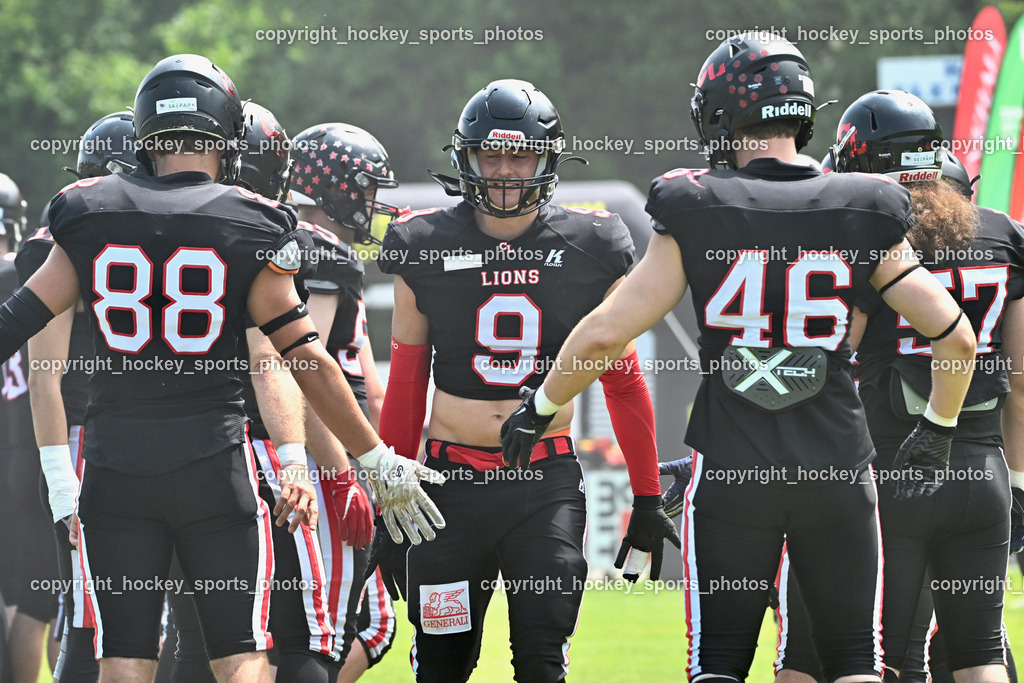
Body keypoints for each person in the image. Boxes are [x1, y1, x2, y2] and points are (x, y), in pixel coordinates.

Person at [499, 34, 978, 683]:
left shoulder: (696, 201)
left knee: (719, 664)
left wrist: (541, 404)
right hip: (836, 468)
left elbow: (605, 333)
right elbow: (957, 338)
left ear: (721, 112)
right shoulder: (863, 203)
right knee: (856, 662)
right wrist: (940, 428)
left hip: (731, 471)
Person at [0, 53, 443, 682]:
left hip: (113, 470)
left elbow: (16, 322)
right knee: (240, 655)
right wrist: (373, 457)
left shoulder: (87, 211)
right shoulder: (248, 220)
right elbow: (301, 356)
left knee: (123, 661)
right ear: (225, 136)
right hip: (214, 467)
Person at [373, 77, 677, 682]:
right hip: (444, 487)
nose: (506, 170)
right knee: (440, 666)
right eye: (493, 154)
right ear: (468, 157)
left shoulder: (592, 242)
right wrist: (389, 488)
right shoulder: (422, 243)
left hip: (544, 485)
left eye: (521, 155)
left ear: (546, 160)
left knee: (542, 665)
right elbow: (408, 380)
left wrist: (645, 494)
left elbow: (622, 380)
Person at [774, 92, 1023, 683]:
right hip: (981, 471)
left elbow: (829, 363)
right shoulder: (1006, 234)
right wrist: (1017, 483)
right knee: (981, 652)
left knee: (882, 657)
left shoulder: (871, 237)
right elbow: (1023, 381)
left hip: (891, 466)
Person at [17, 110, 138, 683]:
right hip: (83, 442)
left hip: (126, 439)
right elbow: (44, 373)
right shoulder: (63, 245)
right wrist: (63, 479)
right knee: (89, 617)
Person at [287, 121, 399, 681]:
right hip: (318, 455)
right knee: (336, 628)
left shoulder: (287, 242)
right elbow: (305, 371)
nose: (373, 204)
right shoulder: (323, 254)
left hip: (319, 452)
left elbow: (366, 380)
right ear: (338, 188)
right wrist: (341, 474)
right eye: (367, 189)